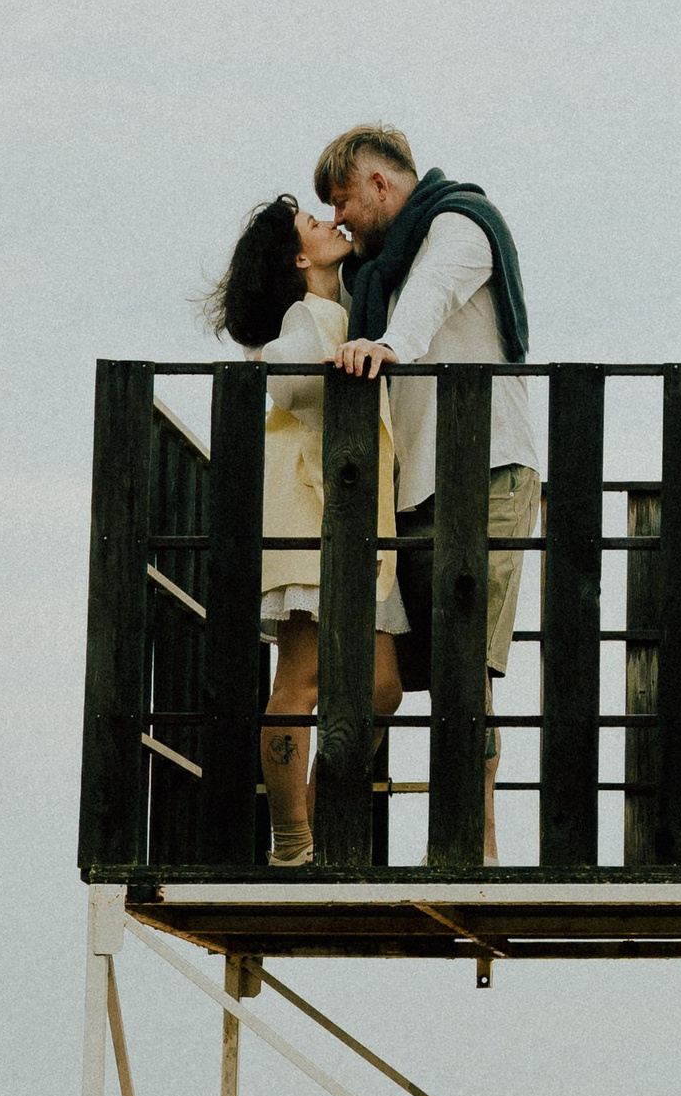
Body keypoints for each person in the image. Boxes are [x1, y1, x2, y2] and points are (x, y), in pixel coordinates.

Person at [313, 126, 539, 863]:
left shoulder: (459, 223)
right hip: (413, 488)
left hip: (486, 473)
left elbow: (430, 301)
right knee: (396, 669)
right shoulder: (377, 270)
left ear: (380, 184)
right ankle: (332, 844)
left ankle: (473, 849)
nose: (340, 218)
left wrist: (387, 347)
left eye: (343, 200)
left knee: (461, 669)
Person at [202, 196, 406, 866]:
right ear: (298, 257)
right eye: (314, 225)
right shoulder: (307, 318)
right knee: (302, 676)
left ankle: (313, 818)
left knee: (381, 686)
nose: (331, 223)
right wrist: (287, 364)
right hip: (312, 514)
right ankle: (291, 837)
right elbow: (280, 372)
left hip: (358, 525)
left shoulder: (345, 310)